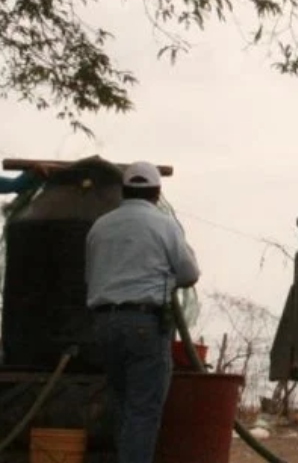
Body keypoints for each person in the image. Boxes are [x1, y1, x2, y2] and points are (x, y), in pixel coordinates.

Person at [85, 161, 200, 463]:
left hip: (103, 324)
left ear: (124, 191)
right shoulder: (164, 225)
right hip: (144, 323)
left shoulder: (100, 226)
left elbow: (90, 276)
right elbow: (189, 274)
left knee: (122, 404)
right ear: (156, 193)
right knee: (143, 410)